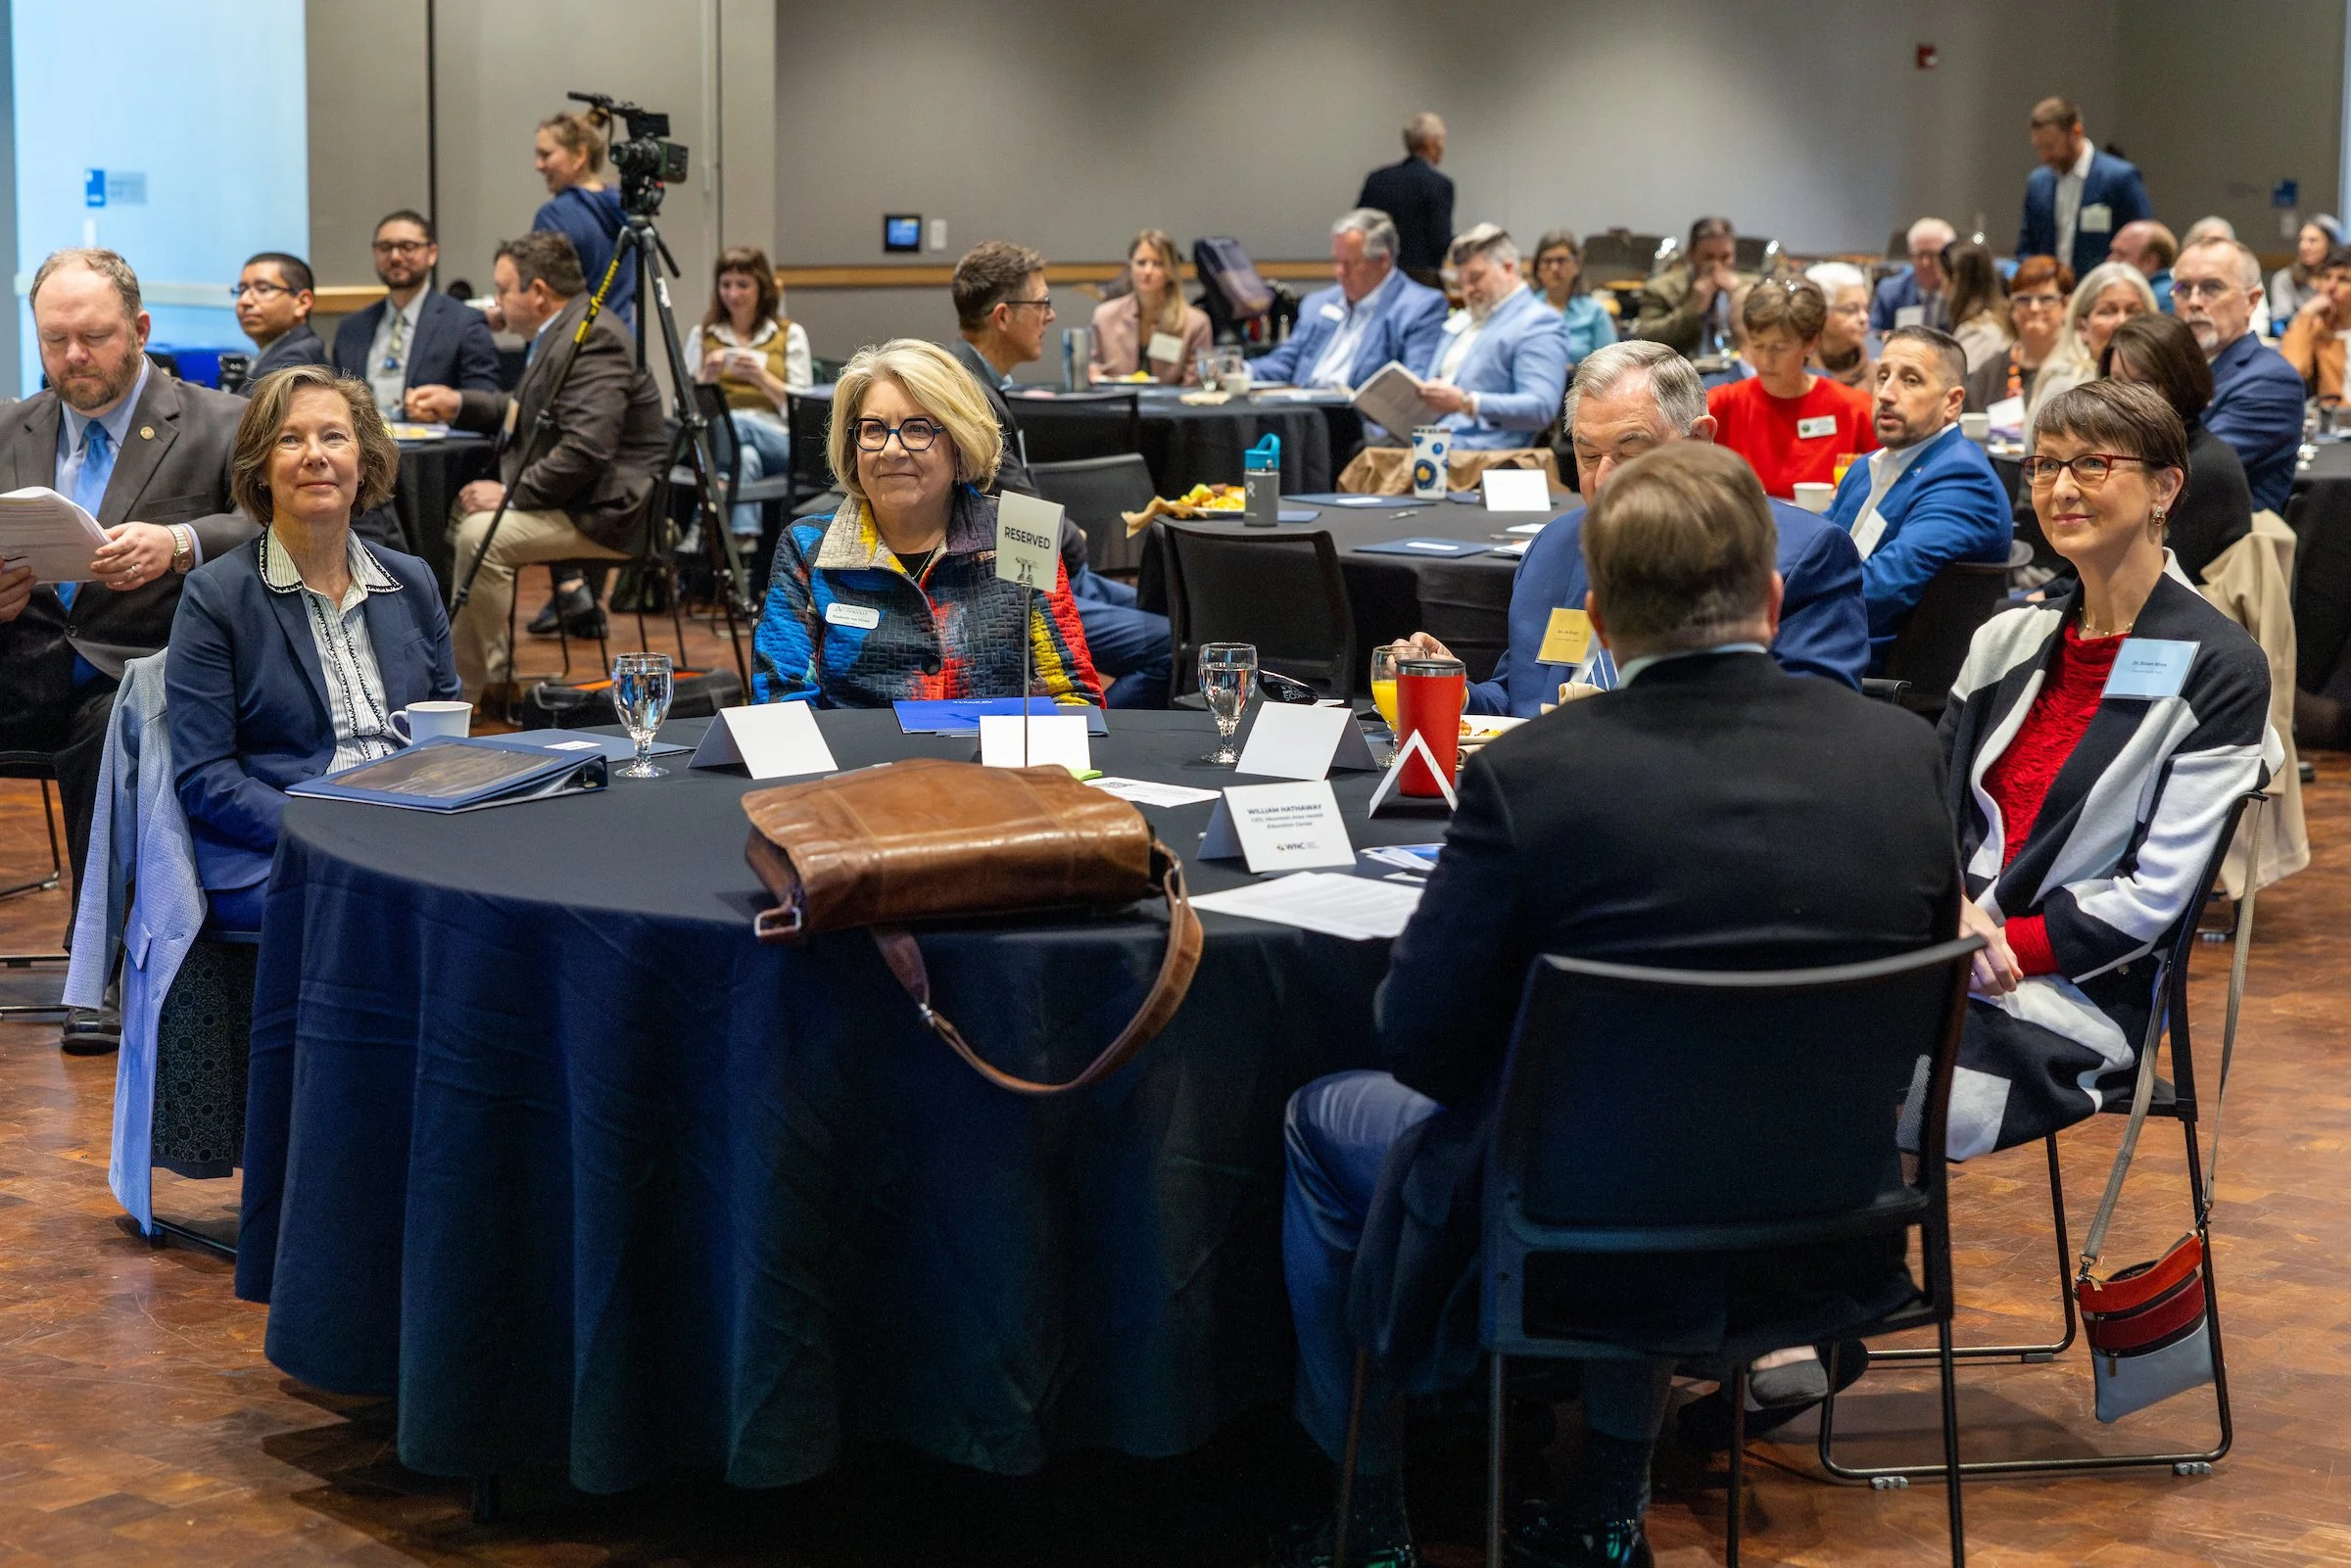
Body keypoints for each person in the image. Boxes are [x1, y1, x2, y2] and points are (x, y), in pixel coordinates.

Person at [1272, 440, 1956, 1568]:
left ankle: (1368, 1502)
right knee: (1649, 1108)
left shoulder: (1536, 775)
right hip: (1834, 1191)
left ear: (1595, 615)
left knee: (1327, 1116)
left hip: (1586, 1196)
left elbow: (1421, 1042)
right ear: (1775, 597)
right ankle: (1605, 1504)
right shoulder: (1902, 753)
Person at [1932, 380, 2275, 1163]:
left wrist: (1989, 947)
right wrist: (1944, 914)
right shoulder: (2008, 636)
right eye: (2045, 465)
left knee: (1866, 1080)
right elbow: (1929, 808)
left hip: (2077, 987)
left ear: (2165, 487)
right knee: (1774, 1031)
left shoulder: (2218, 665)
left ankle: (1860, 1279)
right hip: (1943, 945)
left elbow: (2155, 896)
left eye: (2091, 464)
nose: (2059, 488)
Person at [0, 249, 253, 1052]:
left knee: (110, 725)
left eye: (95, 337)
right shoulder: (11, 427)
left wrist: (182, 540)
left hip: (139, 673)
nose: (74, 357)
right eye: (55, 341)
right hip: (19, 662)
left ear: (140, 330)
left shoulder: (221, 422)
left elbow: (275, 524)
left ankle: (98, 967)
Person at [1399, 340, 1869, 715]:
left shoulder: (1803, 554)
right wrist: (1454, 692)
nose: (1604, 479)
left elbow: (1817, 725)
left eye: (1630, 453)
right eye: (1588, 455)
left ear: (1700, 439)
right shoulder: (1556, 547)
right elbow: (1519, 698)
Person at [165, 366, 459, 933]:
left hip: (413, 824)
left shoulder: (412, 580)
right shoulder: (217, 597)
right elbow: (206, 776)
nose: (315, 456)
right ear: (259, 468)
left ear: (364, 460)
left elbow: (444, 729)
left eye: (334, 436)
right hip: (285, 844)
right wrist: (325, 823)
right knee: (390, 903)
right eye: (290, 439)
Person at [750, 340, 1102, 709]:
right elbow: (780, 702)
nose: (890, 449)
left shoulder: (1024, 530)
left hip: (992, 765)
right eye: (873, 429)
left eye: (917, 429)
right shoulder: (808, 548)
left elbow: (1074, 695)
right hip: (856, 765)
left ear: (960, 443)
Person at [406, 233, 665, 695]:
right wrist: (459, 402)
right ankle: (482, 673)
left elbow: (586, 449)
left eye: (504, 290)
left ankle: (464, 691)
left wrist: (510, 494)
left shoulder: (593, 336)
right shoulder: (563, 330)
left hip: (605, 514)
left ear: (539, 292)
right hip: (577, 499)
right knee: (462, 515)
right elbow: (529, 407)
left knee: (479, 535)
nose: (498, 301)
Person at [947, 241, 1172, 708]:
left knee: (1179, 614)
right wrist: (1072, 536)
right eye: (1042, 303)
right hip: (1014, 585)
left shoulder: (972, 378)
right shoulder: (971, 395)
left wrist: (1066, 537)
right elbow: (1017, 514)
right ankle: (1091, 739)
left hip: (1047, 568)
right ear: (1004, 316)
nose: (1050, 315)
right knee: (1172, 643)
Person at [1827, 326, 2014, 668]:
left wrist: (1788, 606)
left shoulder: (1962, 481)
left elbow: (1882, 587)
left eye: (1910, 380)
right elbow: (1816, 548)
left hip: (1874, 671)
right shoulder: (1869, 465)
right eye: (1882, 376)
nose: (1886, 393)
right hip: (1831, 642)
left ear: (1952, 401)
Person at [2102, 313, 2254, 581]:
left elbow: (2152, 579)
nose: (2121, 399)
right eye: (2115, 382)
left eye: (2141, 385)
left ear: (2179, 384)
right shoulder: (2141, 453)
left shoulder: (2204, 467)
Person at [1705, 278, 1877, 499]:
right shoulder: (1722, 404)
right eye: (1758, 346)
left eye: (1780, 348)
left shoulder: (1856, 409)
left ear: (1811, 344)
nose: (1766, 361)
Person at [1242, 210, 1447, 393]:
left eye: (1349, 263)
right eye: (1337, 261)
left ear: (1383, 260)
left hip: (1361, 423)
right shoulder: (1319, 303)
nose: (1340, 272)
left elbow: (1413, 384)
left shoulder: (1419, 308)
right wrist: (1236, 371)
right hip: (1307, 415)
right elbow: (1285, 363)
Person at [2173, 237, 2307, 514]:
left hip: (2218, 549)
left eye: (2212, 288)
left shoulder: (2272, 381)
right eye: (2184, 288)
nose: (2194, 301)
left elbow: (2189, 473)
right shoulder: (2167, 368)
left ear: (2252, 300)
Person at [1405, 224, 1569, 450]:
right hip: (1431, 443)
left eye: (1475, 278)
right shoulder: (1467, 318)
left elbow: (1540, 408)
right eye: (1461, 283)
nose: (1468, 291)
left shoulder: (1538, 322)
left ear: (1509, 268)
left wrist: (1466, 403)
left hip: (1482, 457)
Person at [330, 210, 502, 421]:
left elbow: (485, 402)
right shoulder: (352, 328)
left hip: (436, 450)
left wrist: (449, 407)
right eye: (385, 247)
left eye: (407, 247)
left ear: (431, 254)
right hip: (364, 451)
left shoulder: (465, 322)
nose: (395, 257)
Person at [695, 244, 813, 544]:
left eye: (743, 285)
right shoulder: (703, 336)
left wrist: (761, 379)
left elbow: (804, 412)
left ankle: (702, 518)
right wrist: (705, 380)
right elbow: (689, 411)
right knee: (743, 457)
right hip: (728, 442)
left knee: (737, 425)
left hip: (780, 440)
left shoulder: (789, 334)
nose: (733, 294)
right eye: (726, 285)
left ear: (761, 287)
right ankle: (741, 542)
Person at [2015, 96, 2150, 278]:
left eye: (2050, 146)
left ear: (2076, 132)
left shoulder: (2120, 178)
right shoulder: (2037, 183)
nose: (2044, 156)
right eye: (2039, 148)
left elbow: (2142, 244)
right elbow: (2026, 248)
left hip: (2101, 292)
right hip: (2051, 296)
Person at [526, 109, 634, 324]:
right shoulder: (626, 210)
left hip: (577, 346)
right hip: (623, 341)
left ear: (580, 155)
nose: (538, 166)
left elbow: (542, 299)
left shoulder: (554, 216)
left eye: (546, 155)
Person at [1963, 257, 2085, 423]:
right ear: (2012, 308)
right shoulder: (1989, 372)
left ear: (2066, 305)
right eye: (2023, 299)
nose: (2034, 308)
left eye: (2046, 299)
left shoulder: (2082, 370)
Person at [1087, 228, 1211, 385]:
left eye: (1158, 264)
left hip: (1173, 406)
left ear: (1170, 270)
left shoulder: (1196, 323)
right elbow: (1094, 367)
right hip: (1117, 404)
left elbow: (1194, 385)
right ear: (1130, 266)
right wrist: (1092, 372)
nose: (1148, 271)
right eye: (1141, 263)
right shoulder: (1105, 316)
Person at [1356, 112, 1454, 286]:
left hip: (1378, 278)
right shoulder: (1439, 184)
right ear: (1431, 144)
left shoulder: (1377, 180)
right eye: (1442, 141)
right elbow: (1440, 241)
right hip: (1421, 281)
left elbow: (1359, 229)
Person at [1630, 215, 1749, 356]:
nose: (1717, 265)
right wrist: (1691, 309)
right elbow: (1645, 340)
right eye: (1709, 257)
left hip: (1737, 368)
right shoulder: (1661, 289)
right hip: (1687, 370)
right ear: (1691, 255)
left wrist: (1740, 299)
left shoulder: (1749, 288)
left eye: (1725, 257)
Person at [232, 253, 330, 383]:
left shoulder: (294, 362)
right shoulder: (281, 351)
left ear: (302, 302)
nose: (244, 301)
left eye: (263, 289)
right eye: (242, 290)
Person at [1530, 229, 1616, 363]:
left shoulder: (1595, 312)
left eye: (1561, 261)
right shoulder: (1525, 310)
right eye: (1547, 261)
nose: (1554, 268)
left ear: (1576, 265)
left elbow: (1610, 366)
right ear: (1537, 268)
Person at [2279, 241, 2351, 402]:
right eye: (2326, 277)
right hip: (2334, 420)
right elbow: (2293, 370)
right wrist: (2306, 313)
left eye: (2344, 279)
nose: (2331, 286)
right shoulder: (2317, 327)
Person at [1871, 217, 1956, 332]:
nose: (1925, 263)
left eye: (1932, 255)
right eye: (1920, 255)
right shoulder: (1890, 292)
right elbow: (1874, 333)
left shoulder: (1960, 293)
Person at [2069, 260, 2157, 368]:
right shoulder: (2065, 384)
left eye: (2134, 312)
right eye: (2107, 312)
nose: (2122, 322)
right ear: (2082, 326)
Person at [1805, 261, 1878, 390]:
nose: (1864, 318)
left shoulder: (1877, 377)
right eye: (1851, 310)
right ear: (1820, 312)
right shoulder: (1797, 369)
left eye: (1866, 309)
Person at [1943, 241, 2011, 372]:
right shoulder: (1998, 319)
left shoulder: (1977, 334)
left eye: (1942, 279)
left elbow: (1964, 386)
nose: (1941, 289)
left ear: (1956, 282)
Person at [2269, 214, 2344, 324]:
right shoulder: (2285, 278)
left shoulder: (2343, 281)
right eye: (2301, 240)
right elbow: (2280, 324)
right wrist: (2309, 310)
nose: (2304, 246)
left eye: (2312, 241)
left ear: (2330, 244)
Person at [2108, 218, 2179, 313]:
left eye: (2121, 254)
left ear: (2150, 261)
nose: (2110, 259)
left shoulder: (2160, 300)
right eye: (2113, 252)